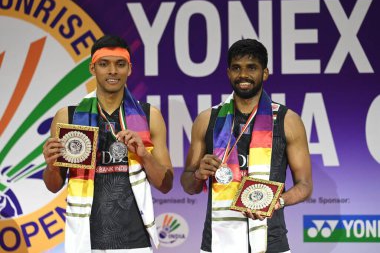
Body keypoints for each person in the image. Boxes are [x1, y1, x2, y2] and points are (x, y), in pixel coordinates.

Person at [43, 35, 173, 253]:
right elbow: (54, 185)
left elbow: (166, 184)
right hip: (86, 241)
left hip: (135, 243)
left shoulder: (150, 116)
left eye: (120, 64)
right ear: (92, 68)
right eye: (104, 64)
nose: (113, 71)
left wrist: (144, 155)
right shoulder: (68, 117)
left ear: (129, 69)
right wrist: (51, 166)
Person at [181, 39, 312, 253]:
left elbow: (305, 185)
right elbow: (188, 184)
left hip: (272, 242)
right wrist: (198, 175)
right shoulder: (207, 120)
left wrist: (275, 202)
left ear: (265, 72)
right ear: (228, 73)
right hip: (217, 242)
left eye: (251, 67)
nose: (243, 75)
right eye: (236, 68)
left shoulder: (288, 120)